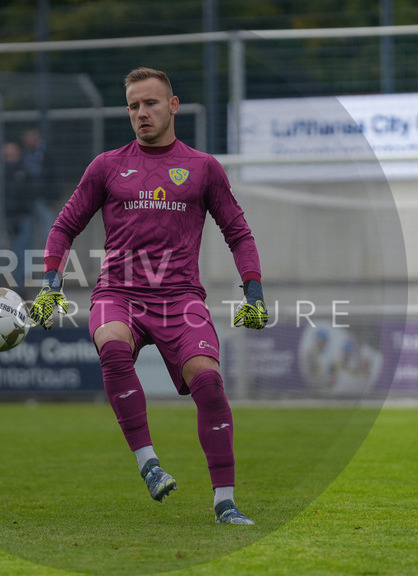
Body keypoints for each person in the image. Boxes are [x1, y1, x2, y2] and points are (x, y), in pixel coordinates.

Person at [28, 68, 269, 526]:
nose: (142, 113)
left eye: (151, 103)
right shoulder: (106, 166)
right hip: (117, 292)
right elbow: (63, 227)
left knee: (210, 384)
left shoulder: (203, 168)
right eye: (134, 106)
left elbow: (238, 233)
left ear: (173, 106)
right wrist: (50, 284)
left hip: (180, 299)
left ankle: (225, 502)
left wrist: (253, 291)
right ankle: (149, 464)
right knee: (113, 347)